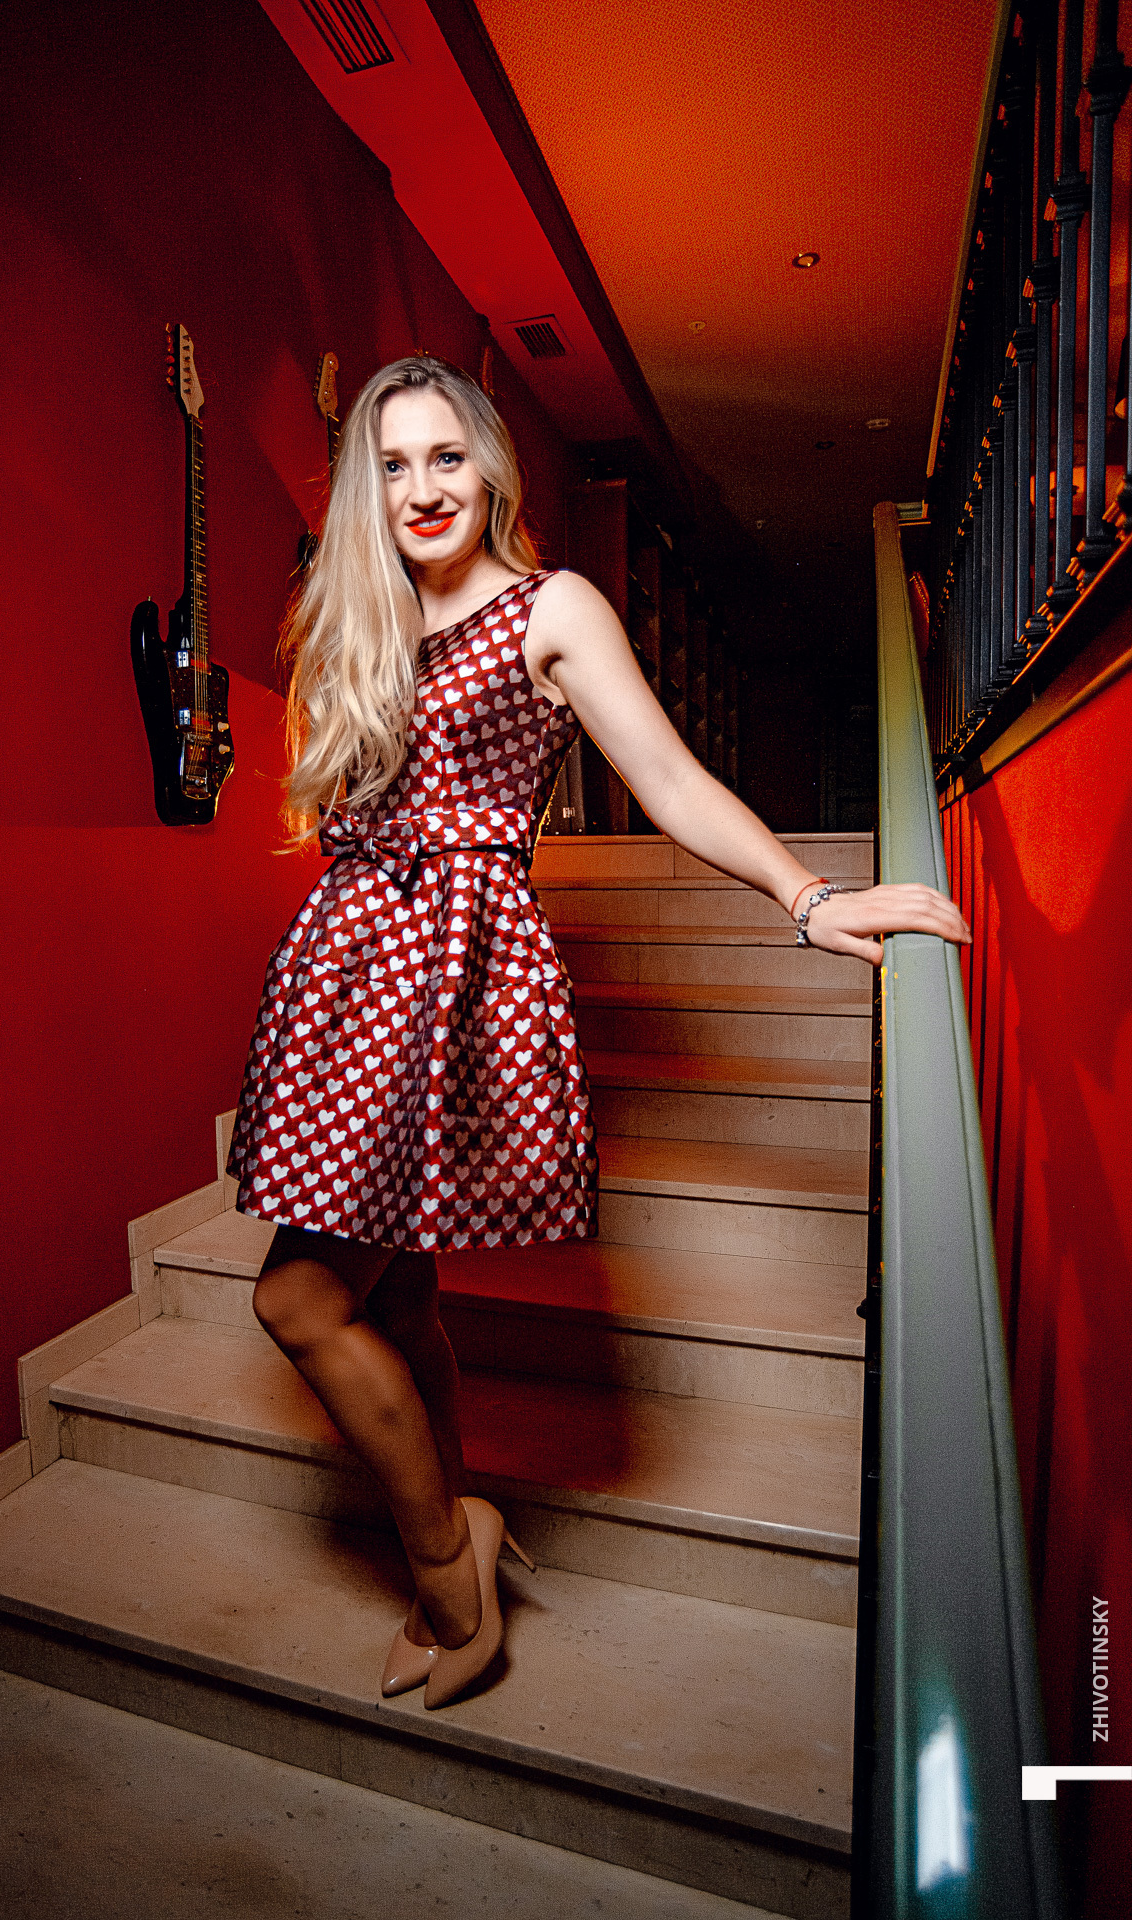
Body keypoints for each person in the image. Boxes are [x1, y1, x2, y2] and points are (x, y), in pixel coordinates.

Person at [227, 354, 969, 1711]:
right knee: (393, 1292)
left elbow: (671, 777)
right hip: (346, 972)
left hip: (451, 976)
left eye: (447, 456)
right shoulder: (357, 621)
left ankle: (449, 1573)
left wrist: (807, 897)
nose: (423, 488)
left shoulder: (550, 607)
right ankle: (460, 1517)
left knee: (298, 1298)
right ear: (362, 490)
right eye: (391, 465)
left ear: (491, 468)